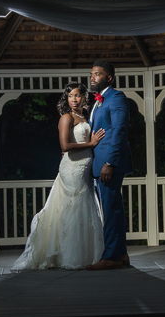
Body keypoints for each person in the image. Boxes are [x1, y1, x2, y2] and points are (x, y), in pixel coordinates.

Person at [11, 83, 106, 271]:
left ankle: (84, 254)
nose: (74, 99)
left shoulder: (84, 116)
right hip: (72, 169)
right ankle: (68, 256)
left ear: (84, 97)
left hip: (85, 169)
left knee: (84, 208)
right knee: (72, 209)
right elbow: (65, 146)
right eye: (70, 96)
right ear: (67, 98)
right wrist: (91, 144)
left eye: (77, 95)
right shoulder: (66, 117)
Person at [87, 60, 133, 270]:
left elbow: (119, 131)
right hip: (101, 164)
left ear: (109, 78)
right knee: (114, 208)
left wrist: (109, 162)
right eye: (91, 74)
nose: (92, 77)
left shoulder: (117, 97)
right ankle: (121, 254)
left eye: (97, 74)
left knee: (111, 209)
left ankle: (111, 256)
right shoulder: (98, 100)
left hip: (109, 164)